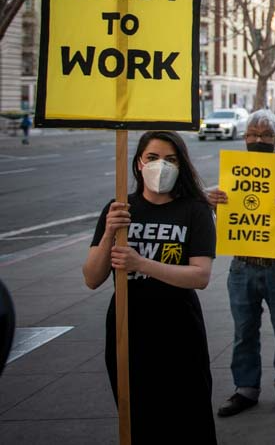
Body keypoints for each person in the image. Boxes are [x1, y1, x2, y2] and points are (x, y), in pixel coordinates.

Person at [83, 130, 216, 442]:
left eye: (170, 159)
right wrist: (109, 234)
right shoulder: (118, 209)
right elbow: (91, 278)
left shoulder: (195, 210)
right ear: (138, 163)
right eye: (153, 158)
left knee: (188, 418)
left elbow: (200, 276)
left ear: (181, 165)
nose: (161, 165)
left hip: (179, 328)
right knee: (138, 418)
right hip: (128, 326)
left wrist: (142, 264)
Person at [209, 109, 275, 418]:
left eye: (266, 135)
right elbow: (227, 210)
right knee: (244, 331)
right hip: (242, 265)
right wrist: (216, 202)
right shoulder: (235, 169)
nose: (258, 140)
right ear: (244, 138)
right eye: (253, 134)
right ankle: (245, 389)